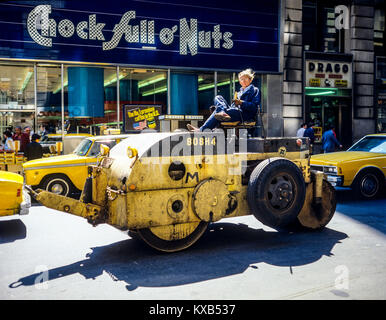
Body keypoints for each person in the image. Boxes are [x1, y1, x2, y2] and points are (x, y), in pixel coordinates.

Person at [187, 68, 261, 132]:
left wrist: (241, 103)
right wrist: (234, 104)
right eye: (241, 79)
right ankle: (222, 112)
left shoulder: (254, 90)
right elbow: (233, 106)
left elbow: (254, 107)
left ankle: (201, 130)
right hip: (235, 112)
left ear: (250, 80)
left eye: (245, 78)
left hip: (244, 114)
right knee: (218, 97)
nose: (243, 81)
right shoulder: (238, 93)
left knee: (218, 111)